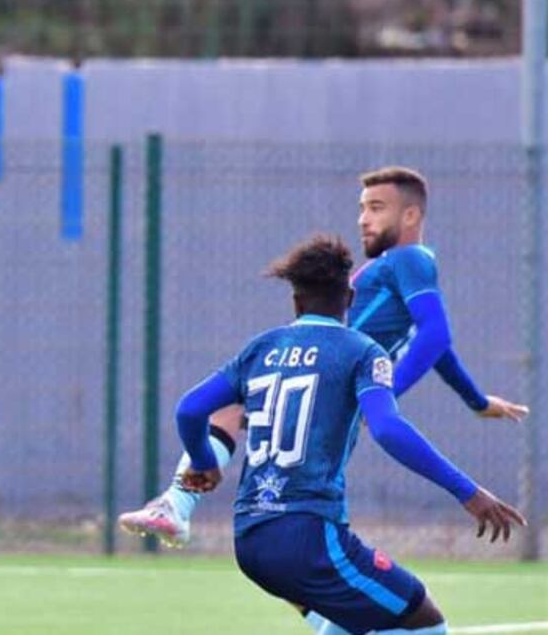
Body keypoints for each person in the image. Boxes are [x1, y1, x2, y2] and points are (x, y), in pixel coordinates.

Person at [126, 234, 524, 635]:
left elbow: (190, 409)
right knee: (425, 623)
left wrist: (203, 462)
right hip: (311, 538)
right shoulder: (363, 352)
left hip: (249, 540)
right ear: (350, 298)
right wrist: (467, 491)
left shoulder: (260, 348)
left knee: (354, 624)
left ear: (296, 302)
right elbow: (388, 429)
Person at [121, 166, 528, 547]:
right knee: (293, 530)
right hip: (332, 384)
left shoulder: (409, 259)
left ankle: (178, 503)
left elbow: (436, 335)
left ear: (410, 217)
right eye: (362, 208)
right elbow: (432, 344)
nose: (363, 219)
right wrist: (475, 401)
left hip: (330, 378)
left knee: (230, 410)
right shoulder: (396, 269)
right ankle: (178, 506)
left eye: (376, 208)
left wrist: (386, 393)